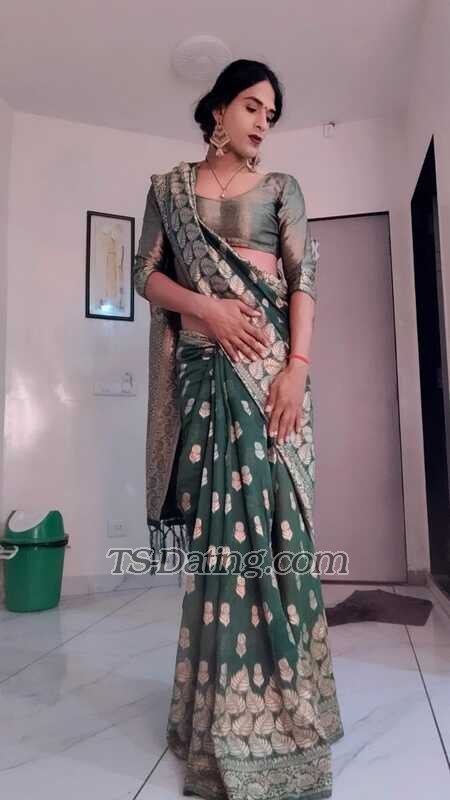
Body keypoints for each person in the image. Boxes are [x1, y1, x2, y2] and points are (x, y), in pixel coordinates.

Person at [133, 58, 344, 800]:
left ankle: (288, 708)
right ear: (218, 110)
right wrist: (209, 309)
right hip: (204, 376)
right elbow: (146, 275)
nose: (262, 122)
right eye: (252, 105)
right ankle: (218, 715)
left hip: (271, 375)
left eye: (271, 113)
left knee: (280, 535)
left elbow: (303, 281)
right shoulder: (170, 190)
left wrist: (298, 370)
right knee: (219, 541)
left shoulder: (284, 190)